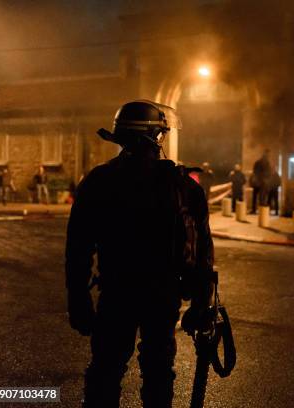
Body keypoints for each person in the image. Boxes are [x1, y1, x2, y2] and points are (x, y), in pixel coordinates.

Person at [65, 100, 216, 408]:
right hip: (163, 296)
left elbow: (78, 247)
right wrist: (201, 304)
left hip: (116, 293)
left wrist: (78, 298)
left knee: (105, 372)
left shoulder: (99, 181)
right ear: (154, 137)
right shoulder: (184, 187)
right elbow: (202, 253)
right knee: (158, 373)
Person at [250, 149, 272, 213]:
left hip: (258, 182)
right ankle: (260, 210)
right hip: (262, 182)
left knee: (256, 197)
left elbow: (254, 171)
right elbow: (268, 173)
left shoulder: (258, 162)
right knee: (262, 197)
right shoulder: (266, 163)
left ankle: (254, 209)